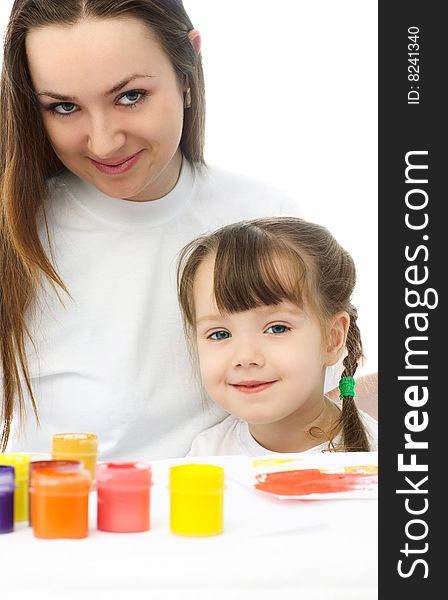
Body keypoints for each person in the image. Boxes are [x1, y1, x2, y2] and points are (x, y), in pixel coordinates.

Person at [0, 0, 376, 460]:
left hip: (229, 523)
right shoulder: (18, 233)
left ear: (187, 70)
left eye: (130, 96)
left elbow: (317, 404)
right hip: (62, 526)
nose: (103, 141)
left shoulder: (263, 222)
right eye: (63, 106)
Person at [177, 217, 378, 456]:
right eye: (220, 334)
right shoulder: (206, 458)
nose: (245, 357)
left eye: (277, 328)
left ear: (332, 338)